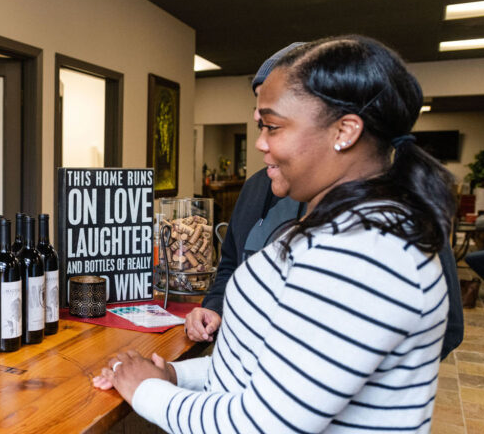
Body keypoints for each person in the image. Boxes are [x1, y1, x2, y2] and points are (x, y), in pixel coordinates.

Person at [97, 36, 454, 434]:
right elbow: (268, 365)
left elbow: (263, 429)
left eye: (272, 126)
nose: (261, 142)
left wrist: (148, 392)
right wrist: (182, 378)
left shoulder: (364, 252)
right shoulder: (328, 227)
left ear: (345, 131)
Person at [187, 43, 464, 360]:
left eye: (275, 125)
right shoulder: (255, 190)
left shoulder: (394, 218)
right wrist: (215, 308)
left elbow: (446, 327)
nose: (262, 140)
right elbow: (230, 269)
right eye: (261, 122)